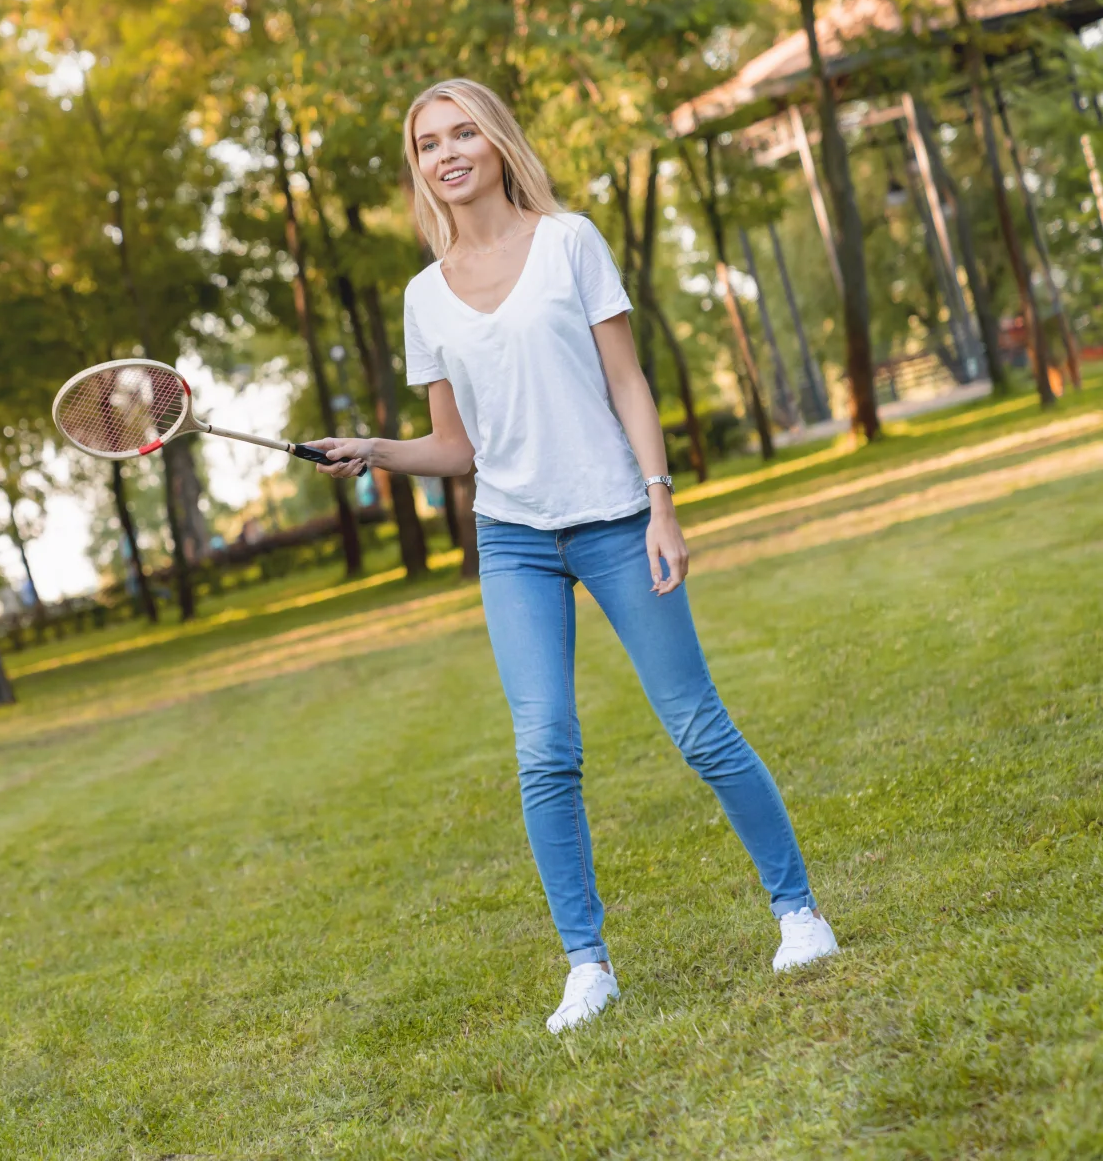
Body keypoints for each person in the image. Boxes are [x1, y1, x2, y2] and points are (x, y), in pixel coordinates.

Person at [308, 79, 837, 1034]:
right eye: (428, 143)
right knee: (544, 752)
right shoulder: (423, 297)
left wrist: (659, 505)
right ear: (419, 169)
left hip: (613, 518)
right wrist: (377, 450)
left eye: (463, 132)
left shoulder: (569, 243)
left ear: (499, 142)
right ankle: (587, 965)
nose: (447, 153)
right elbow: (456, 448)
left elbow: (629, 383)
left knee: (697, 727)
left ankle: (798, 912)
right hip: (512, 539)